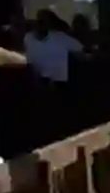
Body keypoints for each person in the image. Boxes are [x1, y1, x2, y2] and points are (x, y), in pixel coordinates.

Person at [22, 10, 82, 143]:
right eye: (39, 20)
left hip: (59, 85)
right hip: (37, 84)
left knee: (58, 119)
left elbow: (80, 49)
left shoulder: (60, 37)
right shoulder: (28, 38)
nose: (41, 24)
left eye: (44, 21)